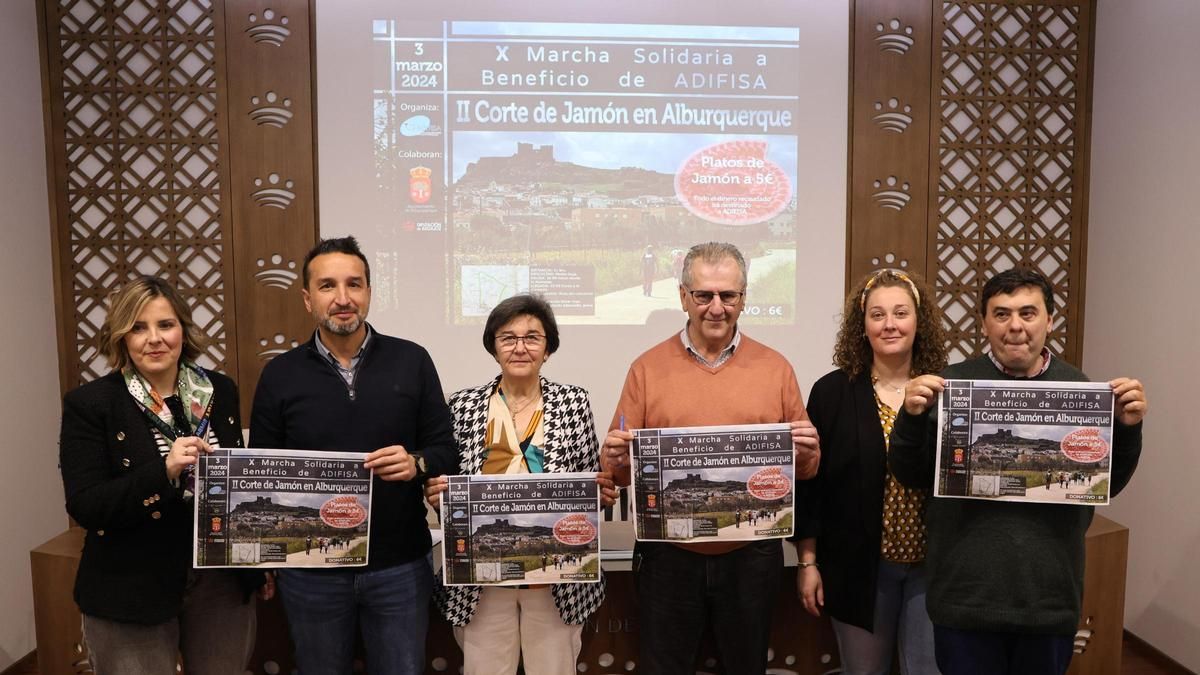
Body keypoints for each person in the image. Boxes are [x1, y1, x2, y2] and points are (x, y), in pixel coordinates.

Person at [889, 268, 1147, 675]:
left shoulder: (1080, 389)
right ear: (984, 323)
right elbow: (910, 474)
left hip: (1048, 601)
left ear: (1050, 320)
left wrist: (1129, 429)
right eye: (1002, 314)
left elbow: (1104, 484)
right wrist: (912, 417)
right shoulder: (951, 385)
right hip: (964, 599)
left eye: (1028, 313)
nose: (1015, 327)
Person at [601, 242, 822, 674]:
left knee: (747, 666)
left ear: (744, 298)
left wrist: (809, 454)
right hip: (668, 557)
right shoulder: (646, 369)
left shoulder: (775, 368)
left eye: (728, 295)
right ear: (683, 297)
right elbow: (620, 474)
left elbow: (805, 468)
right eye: (704, 295)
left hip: (751, 556)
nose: (716, 307)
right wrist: (616, 457)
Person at [250, 236, 458, 675]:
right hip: (310, 570)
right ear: (308, 299)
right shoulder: (280, 374)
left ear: (368, 291)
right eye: (327, 286)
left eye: (354, 284)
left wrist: (416, 463)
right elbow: (261, 474)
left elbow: (445, 450)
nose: (343, 299)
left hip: (399, 565)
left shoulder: (412, 360)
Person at [59, 276, 268, 674]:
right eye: (138, 327)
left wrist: (257, 562)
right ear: (121, 336)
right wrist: (164, 471)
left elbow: (238, 483)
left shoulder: (219, 390)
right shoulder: (91, 403)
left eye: (165, 325)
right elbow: (86, 504)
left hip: (219, 582)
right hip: (131, 582)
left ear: (183, 331)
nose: (154, 339)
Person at [423, 294, 617, 674]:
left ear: (548, 348)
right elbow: (448, 488)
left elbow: (589, 485)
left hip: (556, 580)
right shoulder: (462, 406)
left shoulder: (574, 402)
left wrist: (601, 494)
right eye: (508, 338)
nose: (520, 347)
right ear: (493, 347)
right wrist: (437, 497)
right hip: (481, 583)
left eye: (533, 337)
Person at [792, 269, 948, 675]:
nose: (890, 324)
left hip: (934, 570)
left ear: (920, 321)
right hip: (858, 569)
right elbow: (810, 486)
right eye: (877, 315)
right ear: (861, 326)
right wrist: (808, 563)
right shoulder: (832, 392)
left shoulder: (948, 393)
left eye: (901, 312)